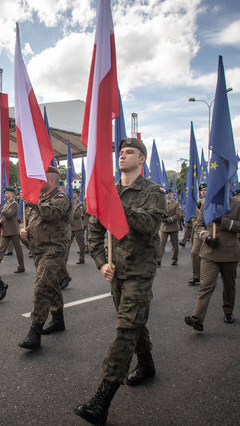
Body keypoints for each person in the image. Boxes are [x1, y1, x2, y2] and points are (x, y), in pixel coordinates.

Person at [75, 138, 165, 425]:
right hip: (116, 272)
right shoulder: (109, 192)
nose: (122, 156)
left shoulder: (153, 192)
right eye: (121, 152)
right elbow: (94, 233)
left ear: (141, 159)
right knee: (134, 322)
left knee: (125, 329)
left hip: (140, 272)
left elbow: (150, 226)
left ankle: (102, 400)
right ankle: (147, 365)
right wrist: (102, 263)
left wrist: (117, 206)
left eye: (130, 152)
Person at [19, 166, 72, 349]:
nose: (35, 183)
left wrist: (33, 202)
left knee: (41, 286)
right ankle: (58, 320)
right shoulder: (39, 200)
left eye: (39, 180)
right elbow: (27, 221)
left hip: (54, 250)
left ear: (50, 181)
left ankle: (35, 331)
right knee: (52, 285)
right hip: (38, 249)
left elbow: (53, 215)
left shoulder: (60, 198)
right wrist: (23, 232)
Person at [184, 185, 240, 331]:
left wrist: (223, 221)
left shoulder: (238, 205)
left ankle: (228, 311)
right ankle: (197, 318)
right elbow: (199, 225)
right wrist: (206, 237)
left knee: (228, 285)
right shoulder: (208, 204)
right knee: (206, 285)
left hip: (229, 253)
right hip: (210, 252)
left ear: (229, 185)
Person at [0, 187, 25, 273]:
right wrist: (1, 222)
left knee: (18, 250)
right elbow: (4, 216)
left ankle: (21, 266)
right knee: (1, 250)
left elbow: (9, 214)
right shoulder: (6, 204)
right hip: (6, 230)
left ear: (13, 194)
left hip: (13, 230)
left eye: (7, 193)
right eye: (5, 193)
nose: (5, 194)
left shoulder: (14, 204)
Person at [188, 183, 207, 285]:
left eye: (205, 190)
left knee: (207, 255)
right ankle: (196, 276)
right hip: (199, 230)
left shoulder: (212, 202)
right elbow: (194, 216)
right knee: (194, 252)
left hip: (209, 230)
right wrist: (195, 224)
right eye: (202, 190)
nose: (203, 192)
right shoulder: (198, 202)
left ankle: (208, 276)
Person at [158, 188, 181, 266]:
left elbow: (178, 215)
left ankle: (174, 259)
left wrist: (169, 219)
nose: (168, 195)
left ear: (172, 194)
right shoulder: (162, 203)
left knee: (175, 245)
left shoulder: (176, 203)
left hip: (173, 227)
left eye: (170, 194)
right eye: (167, 194)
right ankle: (159, 259)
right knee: (161, 244)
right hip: (164, 227)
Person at [69, 189, 86, 264]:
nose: (74, 194)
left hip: (78, 227)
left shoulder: (80, 204)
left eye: (75, 193)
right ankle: (64, 259)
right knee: (67, 244)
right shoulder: (71, 203)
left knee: (81, 244)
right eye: (73, 192)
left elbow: (77, 215)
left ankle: (81, 258)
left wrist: (71, 210)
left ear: (78, 194)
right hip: (71, 227)